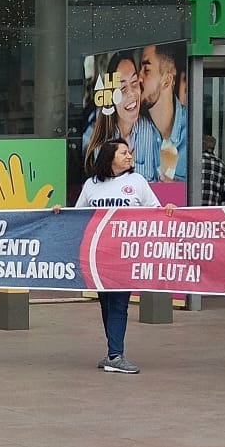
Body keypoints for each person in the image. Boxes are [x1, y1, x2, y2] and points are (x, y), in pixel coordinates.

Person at [73, 138, 159, 376]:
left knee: (119, 303)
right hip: (99, 255)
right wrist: (59, 213)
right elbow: (78, 215)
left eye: (129, 152)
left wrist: (168, 211)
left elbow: (155, 210)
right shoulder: (92, 184)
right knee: (106, 303)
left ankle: (114, 355)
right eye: (123, 153)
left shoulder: (137, 181)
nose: (129, 156)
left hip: (125, 254)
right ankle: (113, 352)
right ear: (109, 157)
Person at [80, 53, 144, 174]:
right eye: (123, 88)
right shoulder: (99, 126)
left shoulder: (148, 131)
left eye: (134, 82)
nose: (131, 93)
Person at [136, 43, 186, 183]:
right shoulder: (133, 129)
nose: (139, 78)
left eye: (146, 70)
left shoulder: (192, 129)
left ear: (166, 80)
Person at [200, 133, 225, 208]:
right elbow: (224, 197)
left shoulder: (191, 162)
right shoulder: (222, 166)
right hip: (212, 214)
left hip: (190, 214)